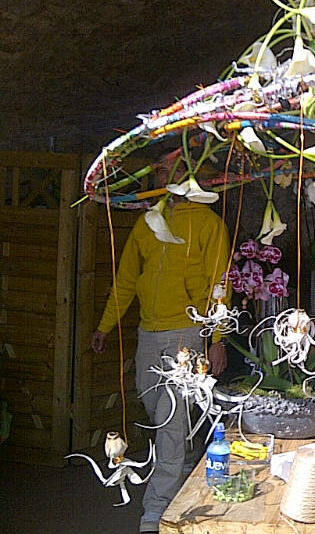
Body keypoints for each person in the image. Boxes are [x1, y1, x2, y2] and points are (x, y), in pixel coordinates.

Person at [91, 180, 230, 534]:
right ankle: (185, 462)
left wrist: (217, 339)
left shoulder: (208, 222)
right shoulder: (148, 220)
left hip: (187, 329)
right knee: (154, 406)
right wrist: (105, 325)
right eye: (163, 170)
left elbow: (220, 283)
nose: (165, 176)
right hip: (148, 331)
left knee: (170, 421)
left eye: (173, 169)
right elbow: (126, 278)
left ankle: (155, 511)